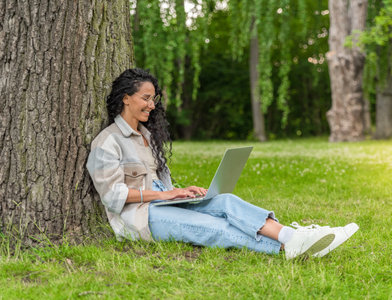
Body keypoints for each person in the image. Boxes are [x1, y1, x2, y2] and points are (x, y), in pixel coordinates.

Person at [87, 68, 358, 260]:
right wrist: (166, 194)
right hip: (141, 217)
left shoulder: (146, 137)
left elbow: (159, 184)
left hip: (164, 203)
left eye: (153, 99)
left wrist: (180, 191)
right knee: (215, 229)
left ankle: (292, 236)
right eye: (146, 98)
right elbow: (113, 197)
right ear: (125, 98)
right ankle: (287, 248)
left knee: (225, 201)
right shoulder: (107, 142)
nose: (152, 105)